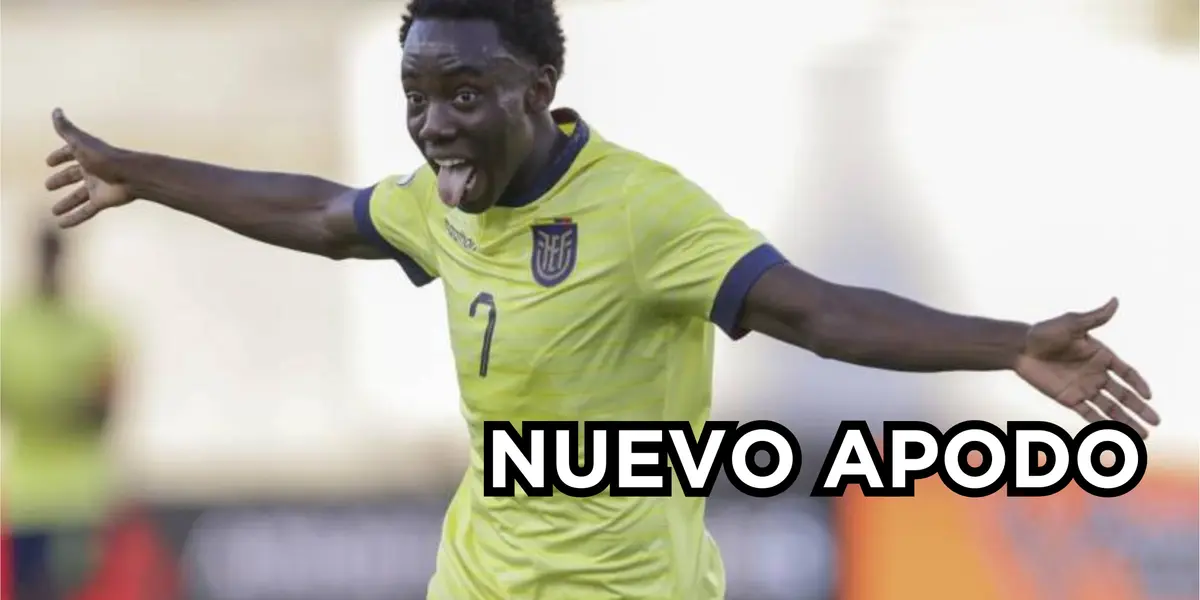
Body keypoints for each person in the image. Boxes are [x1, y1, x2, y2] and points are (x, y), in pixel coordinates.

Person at [41, 1, 1159, 598]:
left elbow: (816, 312)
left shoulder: (646, 215)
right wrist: (145, 172)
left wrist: (1009, 343)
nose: (433, 125)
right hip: (479, 583)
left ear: (539, 90)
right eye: (417, 96)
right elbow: (321, 215)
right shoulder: (443, 202)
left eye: (464, 94)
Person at [1, 225, 122, 600]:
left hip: (80, 494)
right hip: (26, 496)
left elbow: (106, 406)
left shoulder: (93, 328)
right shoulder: (11, 327)